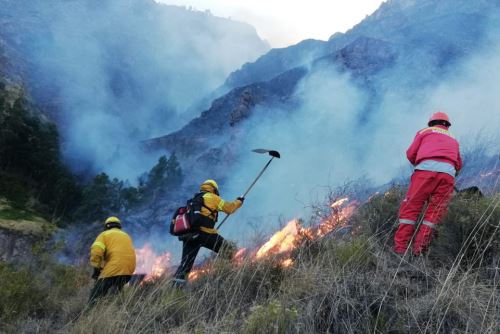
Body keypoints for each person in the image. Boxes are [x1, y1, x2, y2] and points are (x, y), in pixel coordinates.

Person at [394, 112, 462, 256]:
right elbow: (458, 163)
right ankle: (419, 250)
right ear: (447, 125)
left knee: (411, 209)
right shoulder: (453, 138)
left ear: (431, 123)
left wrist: (421, 163)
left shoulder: (424, 132)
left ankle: (400, 250)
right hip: (447, 175)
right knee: (435, 213)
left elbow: (411, 153)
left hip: (424, 172)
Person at [172, 179, 244, 286]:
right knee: (229, 250)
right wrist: (239, 201)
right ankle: (230, 275)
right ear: (214, 189)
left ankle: (175, 290)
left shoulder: (193, 200)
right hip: (205, 234)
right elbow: (230, 208)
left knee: (185, 265)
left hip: (189, 236)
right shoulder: (212, 197)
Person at [88, 216, 136, 305]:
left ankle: (88, 313)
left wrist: (96, 269)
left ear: (107, 226)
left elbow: (96, 252)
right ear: (119, 226)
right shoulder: (126, 236)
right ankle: (118, 310)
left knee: (96, 294)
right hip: (128, 271)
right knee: (116, 295)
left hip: (114, 269)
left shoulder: (104, 235)